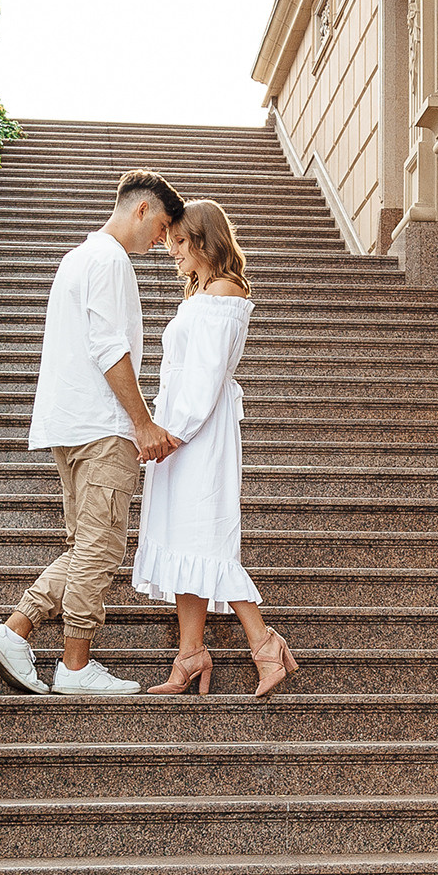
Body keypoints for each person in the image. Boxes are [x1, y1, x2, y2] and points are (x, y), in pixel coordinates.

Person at [0, 168, 184, 698]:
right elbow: (108, 346)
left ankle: (14, 632)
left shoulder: (77, 257)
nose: (163, 241)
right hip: (101, 428)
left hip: (68, 425)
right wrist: (142, 422)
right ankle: (74, 664)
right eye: (162, 226)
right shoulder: (111, 261)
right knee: (101, 549)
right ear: (141, 209)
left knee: (85, 546)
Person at [134, 198, 300, 699]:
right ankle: (189, 655)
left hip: (197, 432)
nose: (172, 250)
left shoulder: (223, 292)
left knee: (207, 540)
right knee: (184, 540)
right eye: (171, 241)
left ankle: (265, 644)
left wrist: (174, 434)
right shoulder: (202, 292)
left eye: (181, 241)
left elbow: (205, 379)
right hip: (182, 427)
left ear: (207, 241)